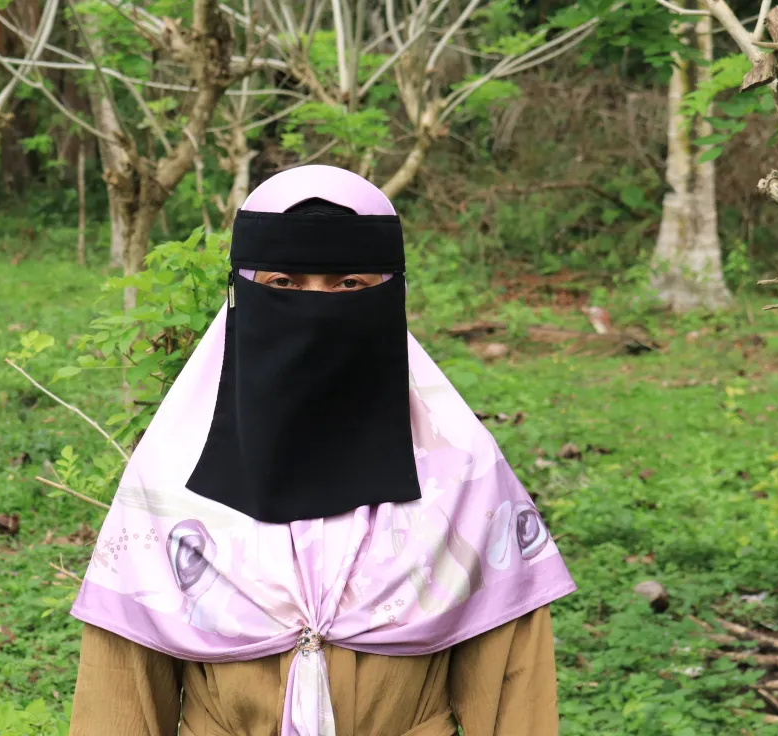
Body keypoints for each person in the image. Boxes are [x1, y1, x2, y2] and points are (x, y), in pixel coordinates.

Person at [67, 165, 575, 736]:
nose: (316, 309)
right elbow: (120, 704)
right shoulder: (170, 482)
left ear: (392, 296)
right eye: (283, 284)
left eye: (350, 285)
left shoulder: (464, 478)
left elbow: (515, 703)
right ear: (241, 295)